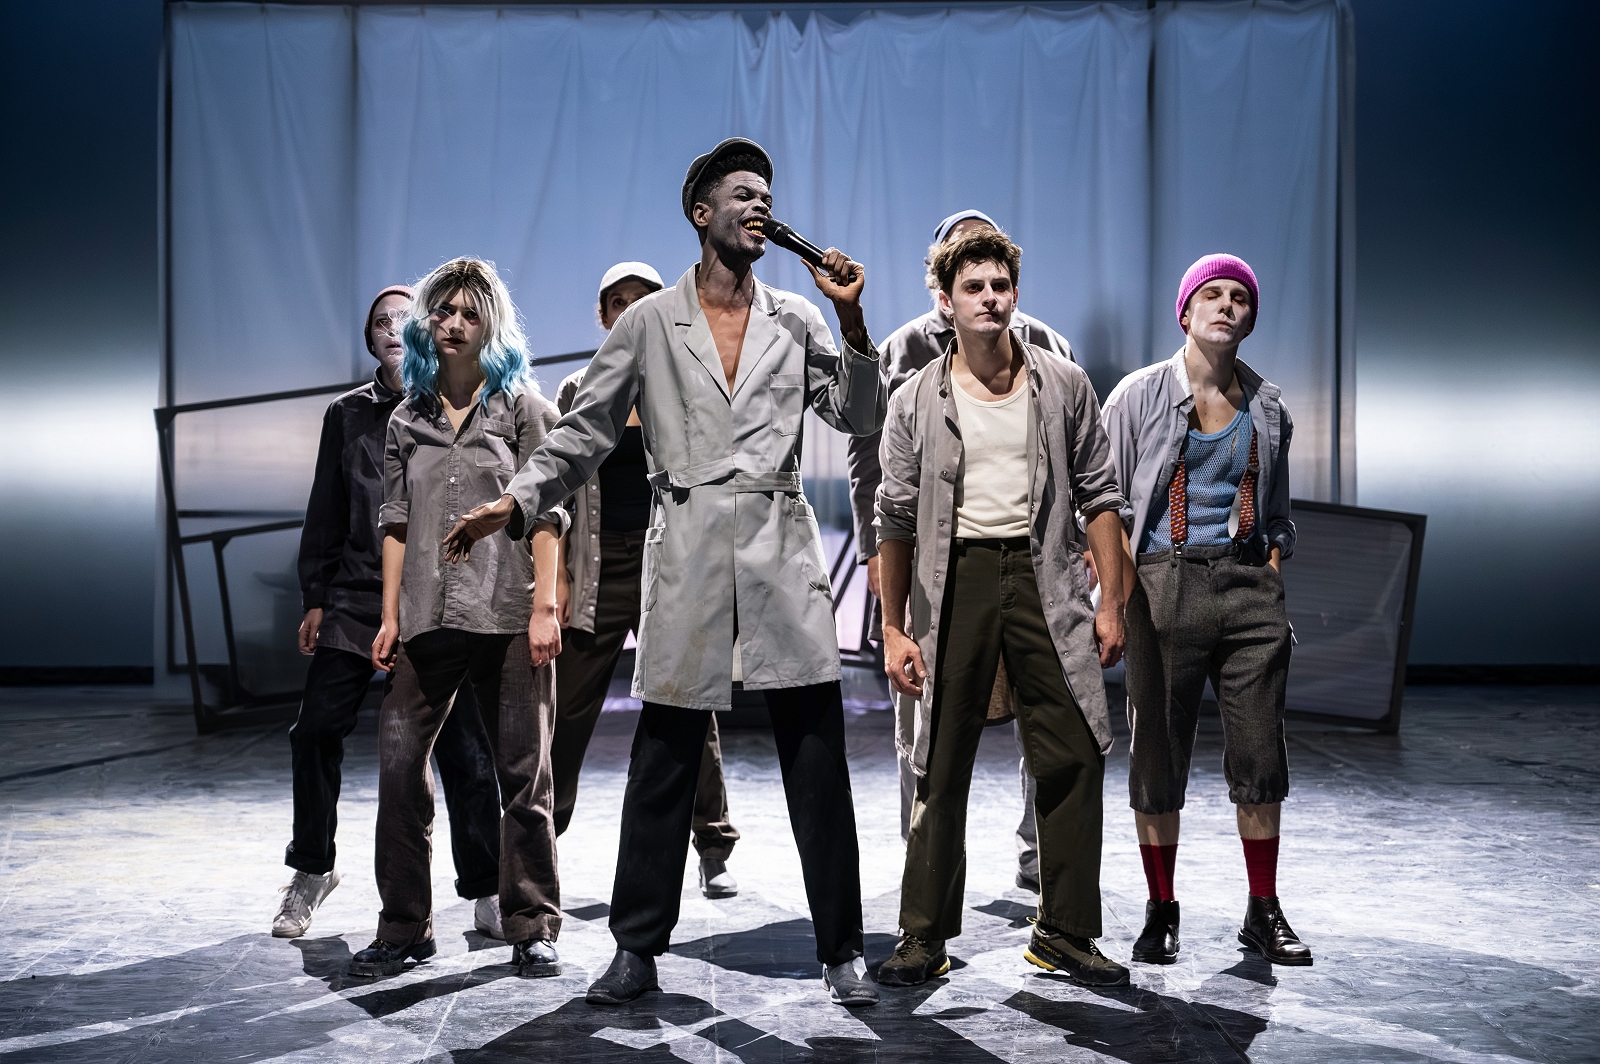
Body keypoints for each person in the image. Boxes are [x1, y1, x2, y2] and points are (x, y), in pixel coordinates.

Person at [442, 138, 886, 1007]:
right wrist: (516, 500)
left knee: (816, 761)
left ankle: (842, 952)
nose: (760, 207)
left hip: (778, 546)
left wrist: (854, 322)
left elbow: (860, 414)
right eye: (743, 194)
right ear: (701, 213)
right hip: (686, 547)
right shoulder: (648, 323)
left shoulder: (798, 317)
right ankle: (637, 949)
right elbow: (582, 433)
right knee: (663, 762)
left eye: (768, 197)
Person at [874, 227, 1134, 988]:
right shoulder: (915, 397)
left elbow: (1101, 495)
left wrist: (1112, 604)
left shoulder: (1063, 383)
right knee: (939, 759)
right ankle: (923, 935)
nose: (989, 299)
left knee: (1073, 750)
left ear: (1015, 294)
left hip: (1045, 573)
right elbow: (893, 518)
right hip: (954, 579)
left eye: (1000, 286)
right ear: (946, 303)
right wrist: (891, 627)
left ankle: (1064, 931)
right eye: (973, 288)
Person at [348, 257, 570, 979]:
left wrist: (545, 607)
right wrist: (388, 616)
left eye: (470, 313)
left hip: (506, 613)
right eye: (442, 311)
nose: (453, 324)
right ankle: (404, 926)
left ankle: (531, 922)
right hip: (425, 616)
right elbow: (395, 522)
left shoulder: (525, 410)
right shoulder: (406, 418)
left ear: (491, 326)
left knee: (523, 775)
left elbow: (547, 514)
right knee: (398, 771)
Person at [845, 209, 1074, 891]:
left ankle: (1039, 853)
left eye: (992, 270)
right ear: (940, 279)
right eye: (964, 264)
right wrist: (874, 553)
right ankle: (924, 855)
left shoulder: (1046, 346)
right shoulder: (903, 350)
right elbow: (870, 459)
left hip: (1027, 558)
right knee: (920, 715)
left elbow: (1074, 458)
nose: (984, 288)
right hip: (931, 562)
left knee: (1046, 714)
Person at [273, 286, 504, 942]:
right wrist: (315, 597)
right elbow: (325, 508)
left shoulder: (452, 405)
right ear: (370, 337)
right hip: (354, 598)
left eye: (407, 318)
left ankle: (486, 884)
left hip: (435, 598)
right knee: (315, 730)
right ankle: (312, 869)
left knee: (465, 749)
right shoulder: (346, 415)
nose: (394, 329)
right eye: (382, 321)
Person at [1100, 253, 1310, 967]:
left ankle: (1263, 908)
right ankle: (1161, 908)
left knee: (1260, 753)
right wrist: (1118, 595)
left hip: (1247, 585)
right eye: (1211, 295)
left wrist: (1269, 572)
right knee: (1158, 754)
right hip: (1164, 581)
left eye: (1239, 298)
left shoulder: (1269, 406)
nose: (1226, 306)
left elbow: (1277, 512)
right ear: (1186, 312)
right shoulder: (1138, 396)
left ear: (1251, 319)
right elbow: (1104, 502)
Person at [550, 261, 741, 898]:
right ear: (604, 314)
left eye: (643, 299)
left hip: (669, 562)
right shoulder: (578, 388)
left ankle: (713, 844)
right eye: (618, 301)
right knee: (567, 706)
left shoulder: (683, 377)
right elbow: (561, 483)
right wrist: (560, 580)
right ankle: (541, 836)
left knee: (686, 701)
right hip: (597, 564)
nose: (630, 310)